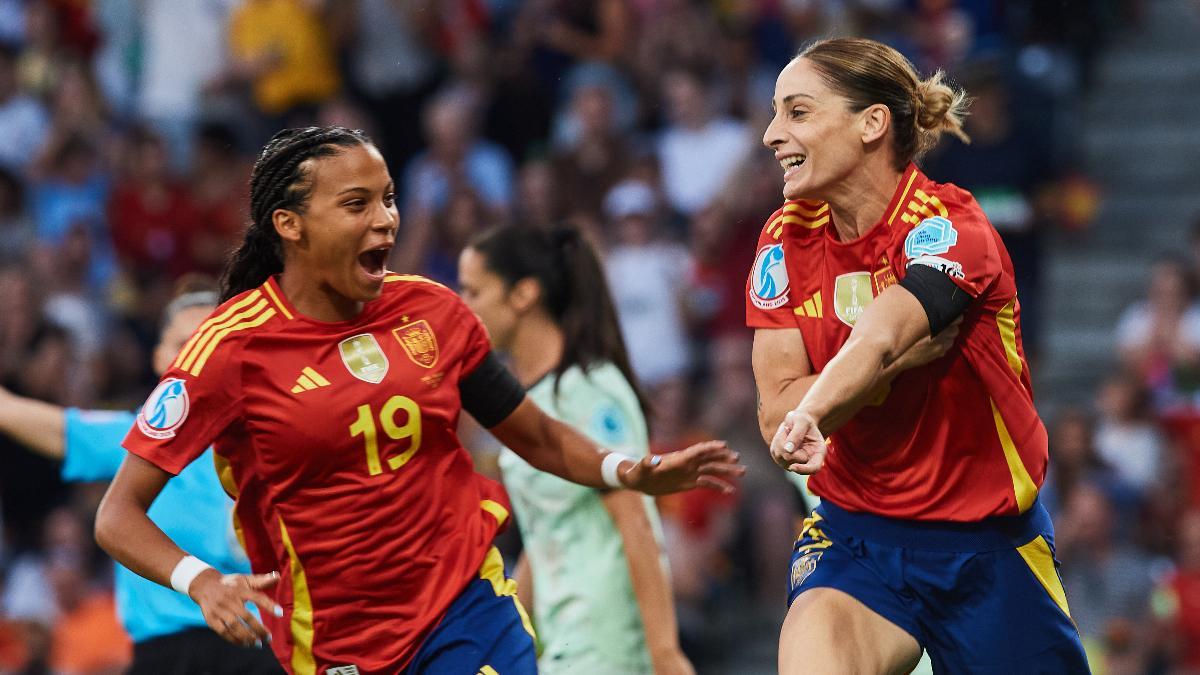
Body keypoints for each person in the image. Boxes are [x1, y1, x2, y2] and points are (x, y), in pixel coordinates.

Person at [93, 125, 741, 675]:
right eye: (356, 204)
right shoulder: (229, 348)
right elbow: (117, 514)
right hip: (335, 641)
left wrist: (628, 469)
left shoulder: (432, 312)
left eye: (389, 199)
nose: (385, 219)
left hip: (463, 601)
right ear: (289, 225)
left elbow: (538, 436)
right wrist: (201, 581)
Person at [750, 38, 1089, 673]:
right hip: (857, 536)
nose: (772, 134)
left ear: (871, 123)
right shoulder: (783, 239)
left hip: (986, 549)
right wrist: (856, 387)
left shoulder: (953, 227)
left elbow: (880, 334)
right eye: (774, 113)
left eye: (796, 112)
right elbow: (778, 418)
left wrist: (820, 404)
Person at [0, 283, 283, 674]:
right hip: (165, 656)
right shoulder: (135, 439)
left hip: (261, 646)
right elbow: (26, 418)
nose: (196, 358)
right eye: (183, 344)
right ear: (157, 358)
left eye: (210, 344)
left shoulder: (280, 440)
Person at [458, 223, 693, 675]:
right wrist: (509, 639)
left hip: (605, 641)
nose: (463, 307)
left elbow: (636, 520)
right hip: (561, 644)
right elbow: (545, 535)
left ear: (523, 295)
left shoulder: (587, 390)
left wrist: (665, 653)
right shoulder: (530, 407)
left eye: (474, 292)